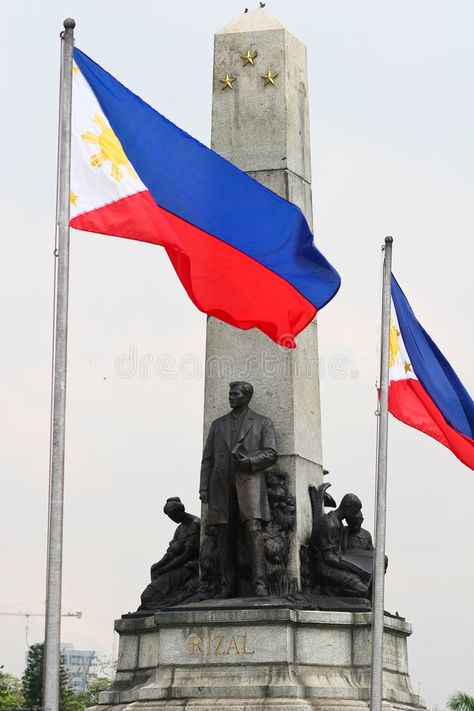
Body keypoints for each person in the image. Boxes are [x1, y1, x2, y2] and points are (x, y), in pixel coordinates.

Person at [199, 381, 277, 598]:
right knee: (223, 535)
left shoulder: (263, 423)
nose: (230, 397)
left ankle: (260, 584)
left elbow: (271, 453)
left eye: (235, 394)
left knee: (253, 532)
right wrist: (203, 487)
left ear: (247, 396)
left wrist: (249, 460)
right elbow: (207, 459)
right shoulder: (218, 424)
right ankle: (227, 585)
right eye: (230, 393)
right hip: (221, 487)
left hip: (249, 486)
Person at [137, 497, 200, 611]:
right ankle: (164, 598)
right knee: (154, 570)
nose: (172, 519)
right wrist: (160, 564)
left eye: (173, 516)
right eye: (170, 517)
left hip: (190, 568)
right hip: (179, 564)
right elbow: (172, 552)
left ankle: (165, 600)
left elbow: (186, 555)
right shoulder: (180, 527)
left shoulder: (194, 524)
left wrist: (165, 568)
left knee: (147, 596)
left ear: (180, 512)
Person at [311, 493, 369, 598]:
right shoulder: (329, 524)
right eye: (355, 511)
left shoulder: (338, 524)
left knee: (366, 583)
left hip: (333, 565)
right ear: (347, 508)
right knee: (362, 590)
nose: (355, 515)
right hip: (324, 569)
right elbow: (329, 558)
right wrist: (356, 568)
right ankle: (324, 592)